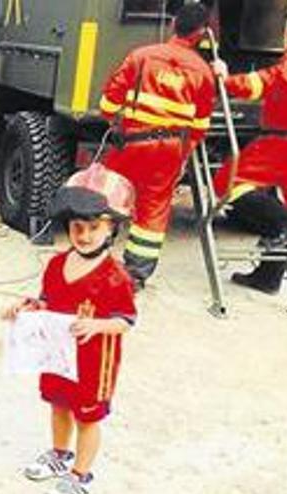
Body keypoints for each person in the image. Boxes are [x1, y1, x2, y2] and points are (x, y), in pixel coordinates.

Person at [2, 164, 138, 494]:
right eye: (77, 226)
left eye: (94, 227)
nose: (84, 235)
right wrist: (29, 308)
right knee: (58, 405)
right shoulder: (55, 265)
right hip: (58, 356)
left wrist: (98, 324)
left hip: (94, 362)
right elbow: (48, 300)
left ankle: (81, 474)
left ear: (112, 229)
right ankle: (60, 455)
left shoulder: (115, 276)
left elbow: (127, 320)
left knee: (88, 418)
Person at [98, 3, 216, 290]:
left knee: (109, 197)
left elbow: (107, 104)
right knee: (153, 209)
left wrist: (118, 121)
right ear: (201, 34)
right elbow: (199, 128)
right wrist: (181, 155)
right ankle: (135, 275)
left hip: (132, 143)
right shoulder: (204, 72)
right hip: (170, 151)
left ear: (173, 24)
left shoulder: (141, 56)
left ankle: (95, 255)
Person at [209, 8, 287, 295]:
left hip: (283, 140)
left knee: (226, 181)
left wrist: (226, 80)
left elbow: (269, 80)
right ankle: (269, 276)